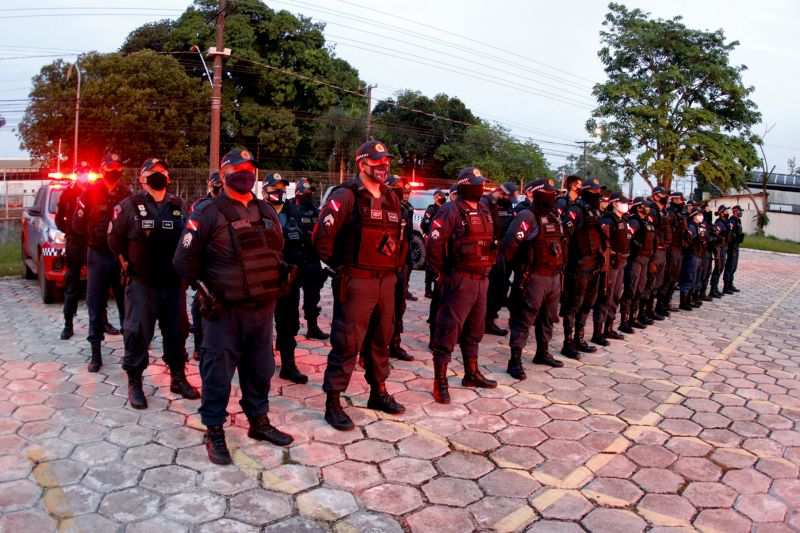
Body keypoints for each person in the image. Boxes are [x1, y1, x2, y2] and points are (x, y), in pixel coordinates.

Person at [173, 148, 293, 465]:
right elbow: (183, 261)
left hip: (262, 310)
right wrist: (202, 290)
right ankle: (214, 430)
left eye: (251, 167)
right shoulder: (206, 211)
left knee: (260, 370)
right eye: (238, 167)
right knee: (217, 374)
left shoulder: (266, 210)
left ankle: (259, 422)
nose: (246, 172)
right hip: (223, 311)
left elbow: (276, 251)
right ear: (224, 173)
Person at [312, 140, 406, 431]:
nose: (383, 167)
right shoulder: (346, 195)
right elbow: (321, 237)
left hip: (386, 281)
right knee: (347, 342)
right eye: (376, 162)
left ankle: (378, 393)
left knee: (382, 338)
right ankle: (333, 403)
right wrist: (337, 267)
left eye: (385, 161)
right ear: (362, 164)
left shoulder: (392, 196)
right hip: (357, 282)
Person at [108, 158, 198, 409]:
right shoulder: (129, 206)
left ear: (168, 179)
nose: (158, 175)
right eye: (152, 171)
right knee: (137, 332)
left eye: (162, 172)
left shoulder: (179, 204)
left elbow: (189, 238)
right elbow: (114, 240)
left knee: (177, 332)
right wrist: (125, 262)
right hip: (142, 284)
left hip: (173, 284)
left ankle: (178, 378)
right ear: (142, 179)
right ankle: (135, 381)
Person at [426, 167, 498, 404]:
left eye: (482, 183)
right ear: (464, 185)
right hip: (459, 279)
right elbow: (434, 245)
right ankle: (440, 382)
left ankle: (471, 373)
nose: (481, 187)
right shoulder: (451, 209)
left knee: (475, 330)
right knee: (448, 330)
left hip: (481, 280)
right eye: (476, 183)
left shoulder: (485, 209)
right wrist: (443, 272)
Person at [73, 153, 131, 372]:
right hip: (97, 254)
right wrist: (90, 242)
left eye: (118, 166)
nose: (115, 170)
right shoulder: (90, 193)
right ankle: (95, 353)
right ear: (103, 169)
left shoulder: (126, 194)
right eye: (111, 166)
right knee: (95, 304)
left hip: (120, 257)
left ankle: (130, 353)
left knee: (126, 305)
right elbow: (77, 225)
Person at [503, 179, 566, 375]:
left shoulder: (554, 216)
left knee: (548, 317)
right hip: (534, 276)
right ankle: (515, 360)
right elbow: (509, 246)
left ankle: (543, 352)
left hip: (554, 276)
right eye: (549, 194)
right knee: (524, 317)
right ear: (538, 194)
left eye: (553, 194)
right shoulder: (526, 216)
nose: (553, 197)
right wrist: (521, 268)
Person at [263, 173, 309, 384]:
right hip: (262, 280)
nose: (279, 192)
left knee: (289, 322)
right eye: (275, 188)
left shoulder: (294, 211)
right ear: (265, 191)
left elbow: (304, 243)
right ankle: (260, 361)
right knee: (260, 323)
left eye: (282, 188)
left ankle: (288, 365)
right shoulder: (257, 211)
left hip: (289, 279)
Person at [560, 178, 607, 358]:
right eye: (594, 191)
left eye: (599, 191)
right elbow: (565, 236)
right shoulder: (575, 209)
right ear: (586, 191)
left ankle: (580, 339)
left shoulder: (595, 210)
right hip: (578, 266)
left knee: (587, 304)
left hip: (594, 264)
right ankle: (568, 342)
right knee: (573, 305)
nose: (598, 194)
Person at [55, 162, 92, 340]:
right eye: (80, 173)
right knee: (72, 282)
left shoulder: (95, 193)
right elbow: (58, 219)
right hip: (75, 243)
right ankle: (68, 324)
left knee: (97, 283)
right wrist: (69, 233)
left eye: (86, 172)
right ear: (75, 174)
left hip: (91, 243)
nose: (83, 175)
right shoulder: (67, 194)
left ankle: (103, 321)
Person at [189, 171, 223, 359]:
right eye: (215, 184)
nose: (218, 187)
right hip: (204, 261)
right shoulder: (199, 206)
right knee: (199, 305)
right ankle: (198, 344)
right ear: (210, 185)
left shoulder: (229, 205)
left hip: (223, 262)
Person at [591, 191, 632, 345]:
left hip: (622, 262)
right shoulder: (608, 219)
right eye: (623, 202)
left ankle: (609, 327)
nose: (626, 205)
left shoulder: (625, 219)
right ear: (614, 203)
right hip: (611, 263)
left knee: (615, 296)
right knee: (605, 296)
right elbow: (603, 243)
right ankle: (598, 332)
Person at [293, 177, 330, 340]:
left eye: (310, 192)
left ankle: (312, 327)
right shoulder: (291, 210)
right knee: (291, 299)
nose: (309, 195)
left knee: (313, 297)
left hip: (313, 261)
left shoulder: (316, 211)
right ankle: (289, 330)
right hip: (296, 261)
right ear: (298, 193)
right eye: (305, 192)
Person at [482, 182, 519, 336]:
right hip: (488, 252)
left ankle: (490, 320)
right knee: (486, 289)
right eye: (509, 198)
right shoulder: (484, 203)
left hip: (503, 252)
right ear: (501, 193)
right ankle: (479, 322)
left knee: (500, 287)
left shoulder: (507, 206)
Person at [618, 197, 656, 333]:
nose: (648, 208)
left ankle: (633, 318)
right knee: (630, 289)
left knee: (640, 289)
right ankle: (624, 321)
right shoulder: (634, 221)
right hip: (636, 259)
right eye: (645, 206)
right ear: (638, 207)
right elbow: (627, 239)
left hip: (646, 258)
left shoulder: (647, 221)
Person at [663, 192, 688, 313]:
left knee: (675, 277)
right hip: (672, 248)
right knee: (669, 276)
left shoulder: (680, 214)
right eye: (679, 200)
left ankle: (667, 301)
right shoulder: (670, 214)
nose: (682, 202)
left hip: (679, 248)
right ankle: (663, 303)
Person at [680, 206, 708, 310]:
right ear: (694, 216)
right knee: (689, 277)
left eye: (702, 214)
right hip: (692, 255)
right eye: (699, 214)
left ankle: (690, 300)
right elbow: (690, 240)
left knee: (695, 278)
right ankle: (684, 302)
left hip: (699, 254)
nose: (701, 216)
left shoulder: (699, 226)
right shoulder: (691, 227)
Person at [422, 189, 447, 298]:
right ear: (435, 198)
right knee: (430, 265)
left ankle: (438, 287)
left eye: (443, 196)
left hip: (442, 241)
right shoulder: (432, 209)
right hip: (433, 240)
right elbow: (425, 224)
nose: (442, 198)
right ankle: (428, 289)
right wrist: (430, 235)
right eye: (440, 196)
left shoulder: (446, 209)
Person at [710, 205, 731, 298]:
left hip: (724, 247)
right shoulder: (719, 223)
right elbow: (716, 235)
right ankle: (712, 290)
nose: (727, 213)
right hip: (720, 248)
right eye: (725, 211)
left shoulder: (725, 222)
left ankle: (715, 288)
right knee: (718, 268)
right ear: (721, 213)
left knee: (721, 268)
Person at [724, 205, 744, 293]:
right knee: (730, 265)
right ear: (735, 211)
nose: (741, 212)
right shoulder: (732, 220)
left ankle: (730, 283)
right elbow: (729, 234)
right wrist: (734, 238)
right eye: (740, 211)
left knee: (734, 266)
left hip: (736, 245)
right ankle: (726, 286)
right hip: (732, 246)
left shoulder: (738, 220)